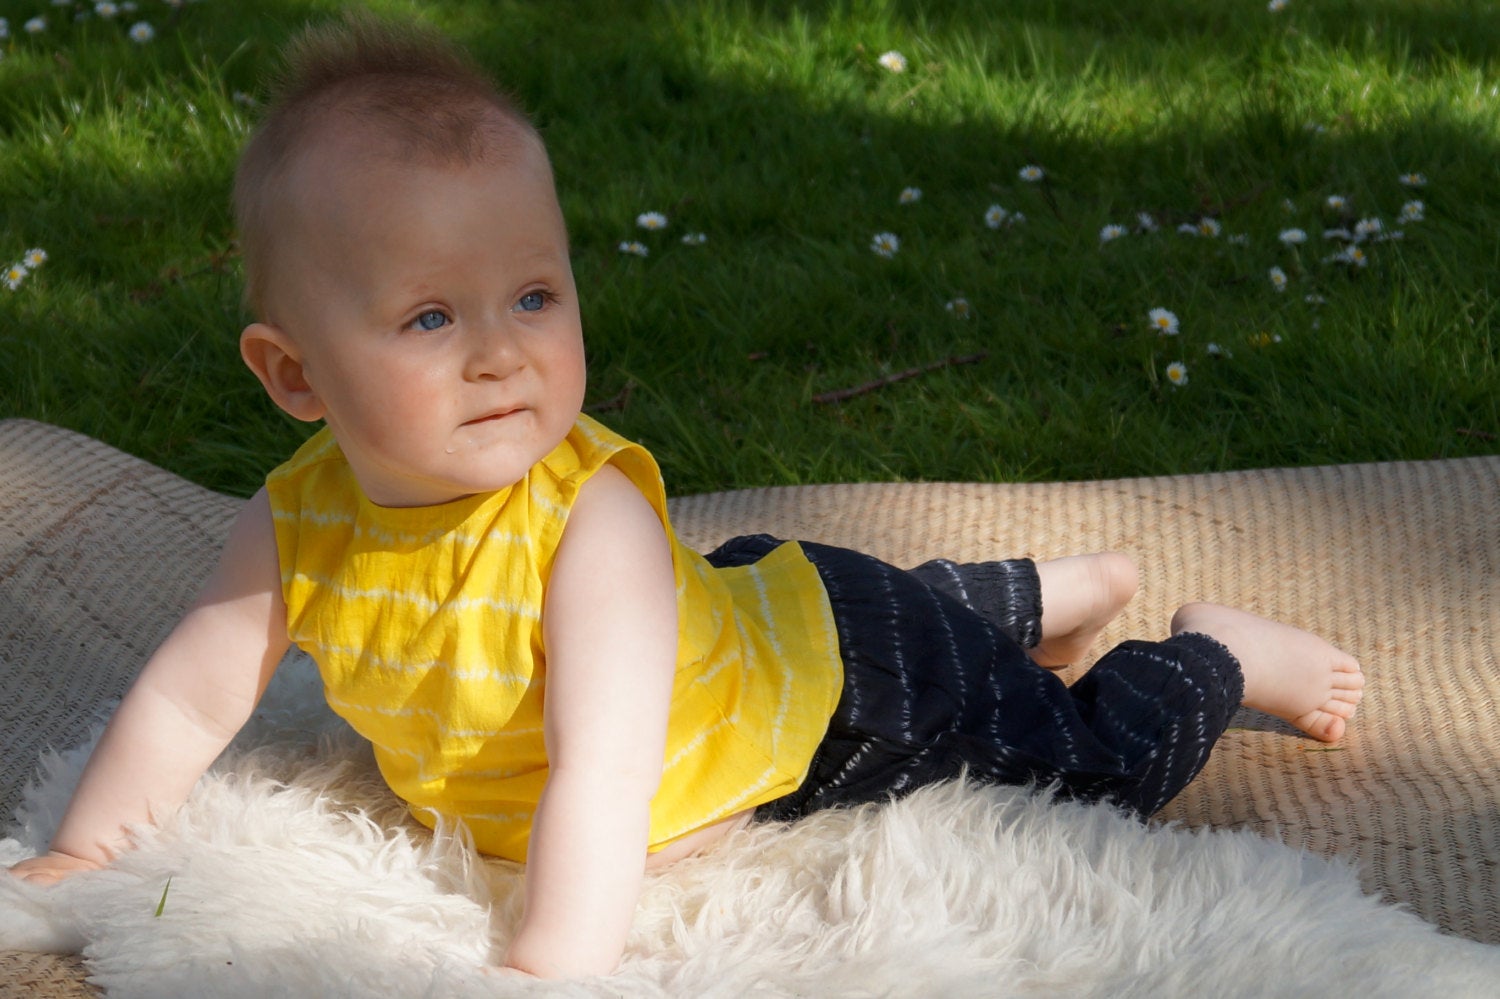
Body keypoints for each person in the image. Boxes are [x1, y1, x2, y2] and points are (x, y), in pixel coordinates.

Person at [6, 15, 1365, 980]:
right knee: (871, 608)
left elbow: (602, 768)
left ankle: (1215, 651)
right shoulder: (298, 514)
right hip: (759, 610)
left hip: (844, 703)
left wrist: (550, 962)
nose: (500, 349)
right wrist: (78, 857)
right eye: (428, 316)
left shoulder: (583, 521)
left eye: (534, 295)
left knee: (1088, 758)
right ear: (294, 374)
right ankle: (1046, 590)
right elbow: (192, 695)